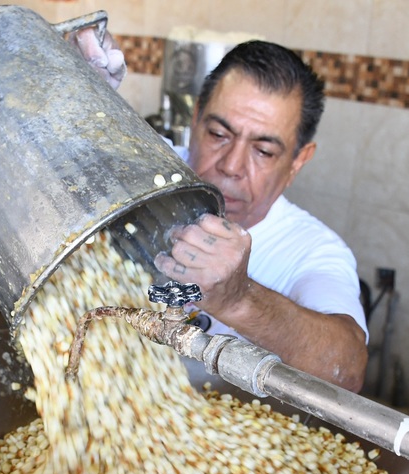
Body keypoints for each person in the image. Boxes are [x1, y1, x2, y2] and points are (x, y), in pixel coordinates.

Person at [76, 32, 368, 392]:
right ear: (196, 118)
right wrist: (76, 93)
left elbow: (347, 369)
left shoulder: (312, 251)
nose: (231, 165)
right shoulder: (142, 164)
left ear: (298, 161)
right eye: (218, 134)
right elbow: (62, 148)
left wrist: (239, 298)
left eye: (263, 151)